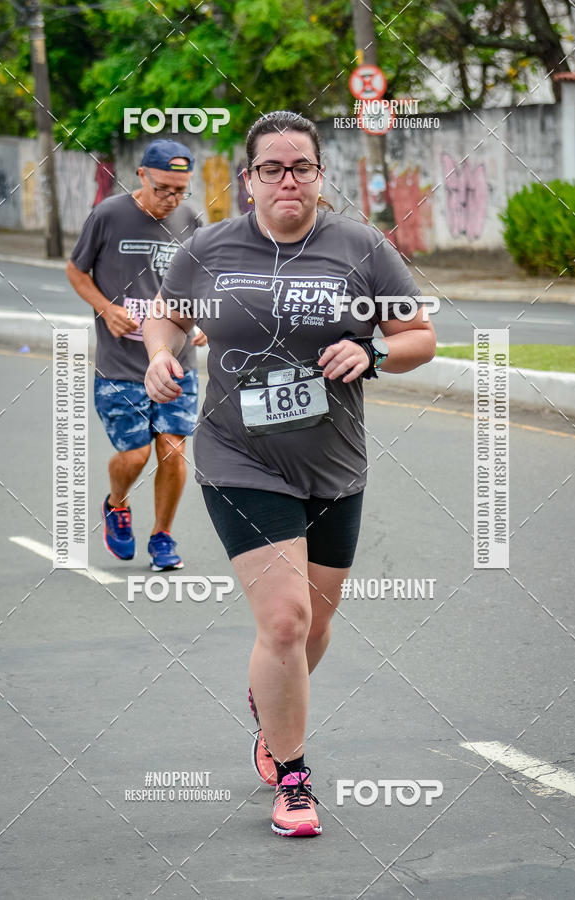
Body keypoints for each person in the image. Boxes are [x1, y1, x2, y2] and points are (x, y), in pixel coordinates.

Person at [143, 112, 436, 837]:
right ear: (248, 181)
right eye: (271, 168)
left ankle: (270, 700)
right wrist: (159, 353)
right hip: (237, 456)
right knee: (284, 618)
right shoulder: (208, 249)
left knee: (313, 627)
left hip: (334, 464)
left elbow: (419, 335)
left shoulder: (361, 248)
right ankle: (295, 778)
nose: (287, 180)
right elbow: (168, 316)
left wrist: (376, 354)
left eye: (300, 166)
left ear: (319, 174)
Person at [66, 139, 206, 571]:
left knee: (172, 449)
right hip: (120, 365)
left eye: (180, 190)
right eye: (164, 187)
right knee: (134, 454)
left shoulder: (190, 219)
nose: (172, 199)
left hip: (175, 360)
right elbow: (76, 270)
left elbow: (205, 282)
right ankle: (117, 503)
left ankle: (162, 536)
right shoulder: (109, 214)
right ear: (142, 175)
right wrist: (106, 309)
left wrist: (203, 324)